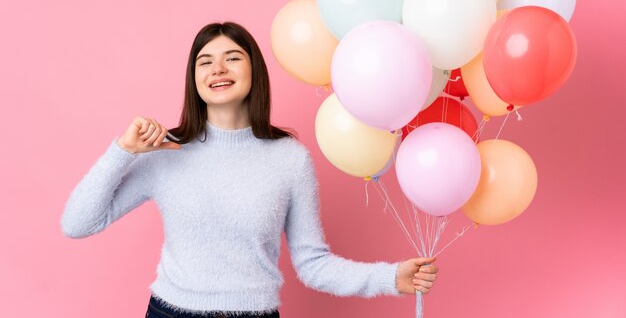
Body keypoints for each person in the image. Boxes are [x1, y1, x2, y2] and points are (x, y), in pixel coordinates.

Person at [60, 22, 439, 317]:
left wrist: (391, 278)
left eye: (232, 57)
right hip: (171, 314)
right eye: (204, 61)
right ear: (194, 79)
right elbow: (78, 223)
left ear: (253, 68)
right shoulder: (165, 151)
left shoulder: (289, 158)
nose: (218, 69)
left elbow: (312, 264)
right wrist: (123, 150)